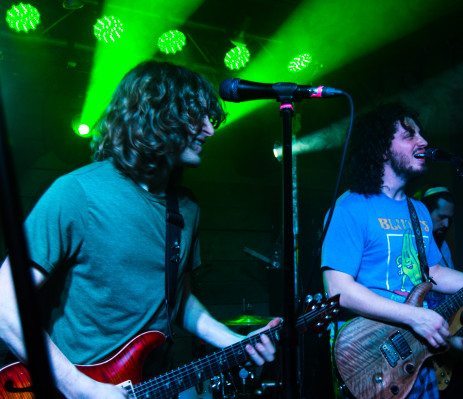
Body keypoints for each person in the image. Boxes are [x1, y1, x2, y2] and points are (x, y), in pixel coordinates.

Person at [0, 61, 278, 399]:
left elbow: (178, 300)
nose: (210, 130)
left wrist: (234, 342)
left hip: (148, 384)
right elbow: (5, 306)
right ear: (158, 117)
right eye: (197, 118)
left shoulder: (186, 209)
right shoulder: (77, 193)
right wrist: (81, 388)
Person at [321, 102, 463, 398]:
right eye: (408, 135)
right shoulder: (350, 207)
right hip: (370, 356)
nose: (423, 141)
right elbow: (339, 290)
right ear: (382, 149)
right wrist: (414, 316)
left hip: (417, 353)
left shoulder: (419, 211)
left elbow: (434, 272)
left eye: (421, 134)